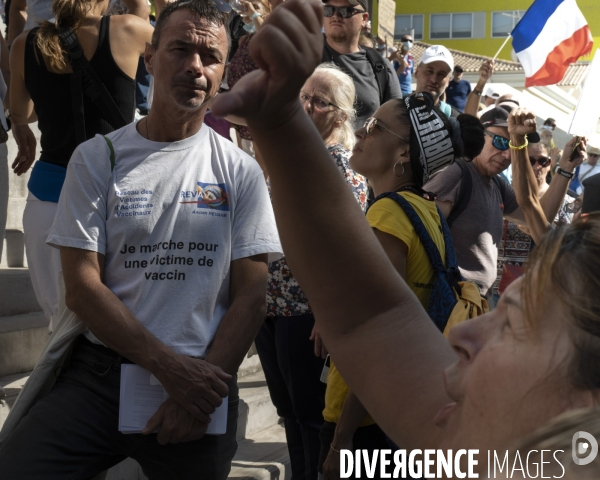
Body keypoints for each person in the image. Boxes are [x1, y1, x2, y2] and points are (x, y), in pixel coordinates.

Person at [211, 0, 600, 474]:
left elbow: (381, 315)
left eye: (515, 325)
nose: (468, 327)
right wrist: (278, 120)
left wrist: (343, 442)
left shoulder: (400, 210)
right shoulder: (474, 440)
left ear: (588, 404)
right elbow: (376, 320)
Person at [0, 0, 281, 477]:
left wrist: (200, 391)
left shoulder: (241, 171)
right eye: (180, 49)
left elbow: (252, 296)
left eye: (210, 57)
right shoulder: (98, 157)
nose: (195, 66)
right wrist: (171, 370)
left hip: (204, 380)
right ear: (148, 58)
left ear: (221, 73)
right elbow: (83, 288)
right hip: (101, 378)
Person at [319, 93, 485, 480]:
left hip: (364, 420)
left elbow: (380, 341)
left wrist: (339, 441)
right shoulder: (426, 209)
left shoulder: (388, 213)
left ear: (405, 154)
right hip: (401, 408)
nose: (360, 130)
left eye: (375, 126)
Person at [8, 0, 153, 332]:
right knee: (121, 321)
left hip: (50, 197)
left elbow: (21, 113)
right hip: (115, 198)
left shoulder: (25, 44)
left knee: (59, 325)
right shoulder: (130, 29)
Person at [256, 63, 367, 480]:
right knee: (289, 413)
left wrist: (327, 313)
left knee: (308, 416)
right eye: (302, 97)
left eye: (317, 101)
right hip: (271, 304)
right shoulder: (295, 153)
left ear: (339, 116)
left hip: (307, 310)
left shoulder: (343, 168)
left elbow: (348, 249)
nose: (305, 106)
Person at [424, 105, 580, 299]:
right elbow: (422, 236)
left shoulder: (498, 184)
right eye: (500, 142)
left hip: (476, 303)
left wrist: (564, 169)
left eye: (513, 147)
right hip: (449, 298)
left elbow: (537, 216)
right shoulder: (455, 173)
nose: (507, 155)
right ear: (480, 136)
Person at [489, 140, 577, 308]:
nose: (537, 167)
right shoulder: (504, 196)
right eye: (530, 160)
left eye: (543, 161)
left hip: (541, 291)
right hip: (499, 287)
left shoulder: (567, 202)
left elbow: (569, 242)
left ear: (550, 164)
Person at [321, 0, 400, 128]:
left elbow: (394, 125)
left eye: (345, 11)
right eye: (329, 10)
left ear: (364, 19)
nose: (335, 16)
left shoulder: (380, 67)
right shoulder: (304, 55)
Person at [227, 0, 271, 166]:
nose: (249, 8)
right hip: (239, 105)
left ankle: (262, 191)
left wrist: (253, 13)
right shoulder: (244, 40)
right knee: (243, 156)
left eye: (256, 6)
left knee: (261, 160)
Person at [413, 44, 457, 118]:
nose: (434, 80)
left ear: (448, 81)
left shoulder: (454, 120)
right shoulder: (394, 112)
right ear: (417, 72)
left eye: (441, 74)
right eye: (429, 71)